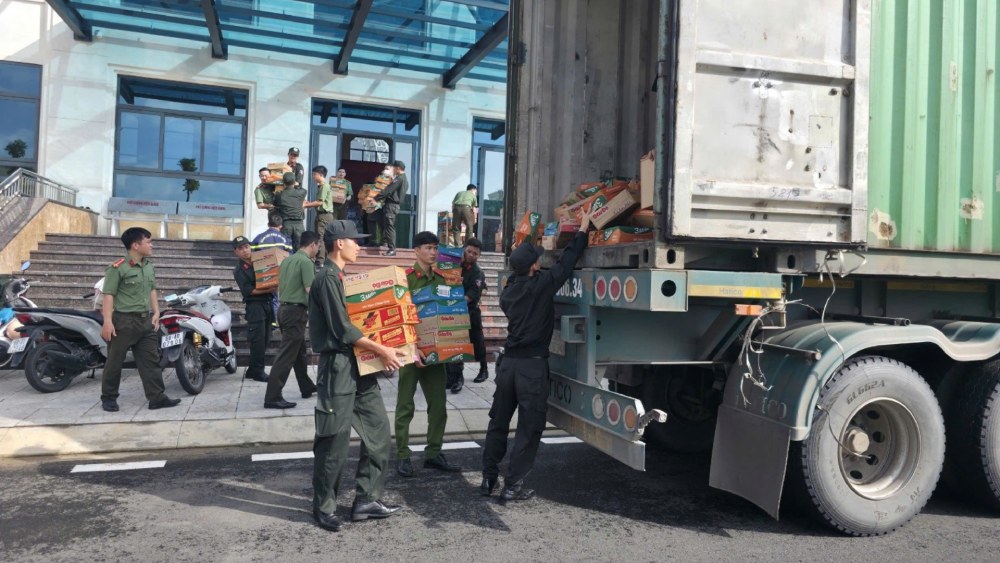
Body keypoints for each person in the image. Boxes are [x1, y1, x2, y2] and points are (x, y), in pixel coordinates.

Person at [309, 220, 409, 532]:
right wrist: (382, 350)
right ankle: (323, 506)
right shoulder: (326, 277)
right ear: (339, 243)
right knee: (334, 441)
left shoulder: (341, 277)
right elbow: (342, 329)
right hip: (338, 367)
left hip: (359, 366)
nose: (360, 246)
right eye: (355, 241)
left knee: (378, 432)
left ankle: (367, 499)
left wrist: (382, 355)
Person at [480, 229, 588, 503]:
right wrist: (582, 233)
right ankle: (513, 485)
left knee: (499, 421)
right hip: (531, 368)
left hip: (508, 367)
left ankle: (488, 478)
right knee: (528, 428)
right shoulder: (541, 285)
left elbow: (525, 278)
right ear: (534, 267)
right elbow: (566, 263)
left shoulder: (507, 293)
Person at [395, 231, 461, 477]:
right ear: (416, 251)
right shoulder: (405, 278)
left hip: (435, 351)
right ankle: (402, 455)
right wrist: (412, 349)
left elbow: (450, 308)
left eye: (435, 247)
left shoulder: (443, 277)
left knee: (439, 406)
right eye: (428, 248)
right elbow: (399, 318)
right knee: (405, 406)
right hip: (410, 352)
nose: (433, 252)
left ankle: (433, 453)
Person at [99, 227, 181, 412]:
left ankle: (157, 398)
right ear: (135, 245)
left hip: (146, 321)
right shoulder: (118, 267)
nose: (152, 245)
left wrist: (157, 313)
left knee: (150, 362)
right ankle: (109, 398)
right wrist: (108, 321)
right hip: (123, 322)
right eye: (148, 242)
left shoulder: (148, 266)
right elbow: (108, 295)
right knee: (114, 362)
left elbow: (152, 290)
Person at [264, 231, 321, 409]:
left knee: (299, 352)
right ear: (313, 245)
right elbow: (310, 290)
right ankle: (272, 396)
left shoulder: (287, 260)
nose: (317, 250)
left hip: (283, 309)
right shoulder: (306, 262)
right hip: (295, 312)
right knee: (286, 355)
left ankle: (306, 387)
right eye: (318, 247)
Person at [232, 236, 274, 383]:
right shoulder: (239, 270)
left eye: (247, 247)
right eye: (241, 248)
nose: (245, 251)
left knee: (267, 337)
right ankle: (258, 372)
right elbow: (249, 291)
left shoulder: (259, 261)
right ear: (235, 252)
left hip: (267, 303)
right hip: (255, 306)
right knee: (258, 341)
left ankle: (251, 370)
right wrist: (270, 288)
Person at [251, 215, 293, 323]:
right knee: (277, 297)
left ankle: (271, 321)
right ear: (281, 225)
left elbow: (253, 254)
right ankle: (276, 321)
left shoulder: (259, 238)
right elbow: (290, 255)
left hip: (264, 271)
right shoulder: (285, 239)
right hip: (281, 271)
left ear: (268, 224)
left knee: (268, 297)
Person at [374, 160, 408, 256]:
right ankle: (386, 242)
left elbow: (388, 190)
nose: (393, 170)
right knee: (386, 225)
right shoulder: (404, 179)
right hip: (393, 206)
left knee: (389, 227)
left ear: (397, 168)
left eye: (393, 168)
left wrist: (376, 198)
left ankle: (392, 249)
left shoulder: (399, 179)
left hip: (391, 205)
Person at [275, 171, 307, 251]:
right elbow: (303, 189)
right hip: (299, 225)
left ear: (283, 183)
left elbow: (275, 203)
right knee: (300, 249)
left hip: (286, 224)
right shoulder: (301, 193)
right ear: (294, 181)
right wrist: (296, 184)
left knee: (285, 248)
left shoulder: (279, 195)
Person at [311, 165, 335, 267]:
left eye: (314, 174)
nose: (313, 177)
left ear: (320, 175)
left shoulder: (324, 186)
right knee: (323, 237)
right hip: (325, 215)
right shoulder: (322, 186)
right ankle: (323, 259)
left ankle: (320, 261)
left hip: (324, 216)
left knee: (320, 238)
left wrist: (306, 205)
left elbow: (320, 202)